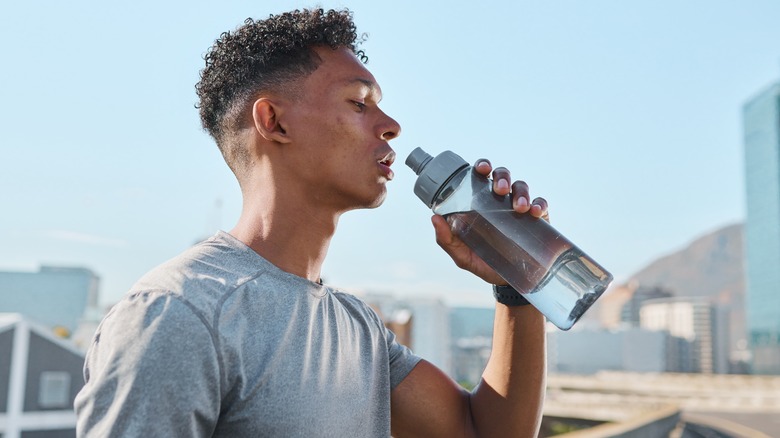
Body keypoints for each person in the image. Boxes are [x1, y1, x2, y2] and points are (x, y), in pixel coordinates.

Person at [75, 8, 548, 437]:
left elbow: (486, 434)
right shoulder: (178, 313)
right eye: (359, 103)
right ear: (274, 122)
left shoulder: (359, 329)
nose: (392, 125)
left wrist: (515, 286)